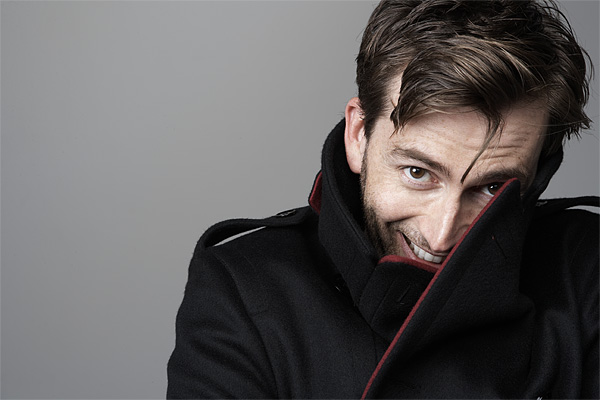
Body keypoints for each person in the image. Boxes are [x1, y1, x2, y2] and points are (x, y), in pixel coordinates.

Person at [167, 0, 598, 398]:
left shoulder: (585, 268)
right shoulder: (244, 288)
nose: (442, 235)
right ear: (358, 136)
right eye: (417, 172)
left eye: (492, 188)